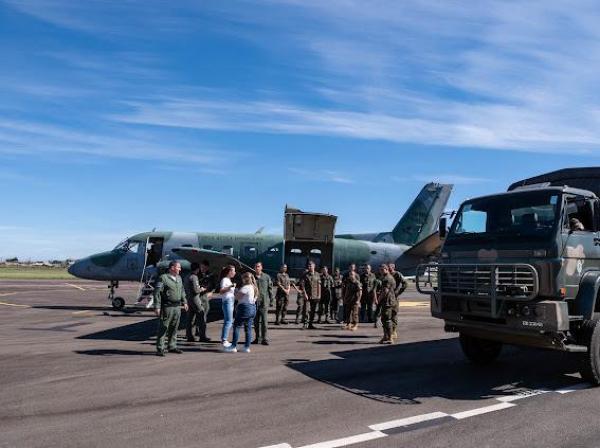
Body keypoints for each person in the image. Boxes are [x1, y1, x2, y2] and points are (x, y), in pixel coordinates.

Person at [154, 261, 188, 356]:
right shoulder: (163, 278)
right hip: (167, 307)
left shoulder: (179, 278)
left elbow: (182, 291)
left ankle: (172, 346)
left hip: (177, 307)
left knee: (174, 327)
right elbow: (157, 293)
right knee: (164, 327)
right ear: (172, 268)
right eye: (178, 267)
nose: (180, 269)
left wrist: (184, 301)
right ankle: (160, 348)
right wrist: (157, 306)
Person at [224, 272, 257, 353]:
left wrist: (235, 291)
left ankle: (233, 346)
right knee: (248, 328)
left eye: (242, 278)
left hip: (244, 308)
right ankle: (246, 347)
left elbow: (237, 297)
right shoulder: (254, 287)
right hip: (252, 308)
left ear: (245, 279)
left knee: (237, 326)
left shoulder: (246, 287)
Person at [185, 261, 215, 343]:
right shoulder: (194, 277)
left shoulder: (187, 276)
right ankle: (202, 336)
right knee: (201, 316)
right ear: (197, 269)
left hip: (189, 299)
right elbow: (196, 290)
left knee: (190, 318)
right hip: (195, 299)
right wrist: (202, 289)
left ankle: (189, 336)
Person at [253, 262, 273, 345]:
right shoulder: (252, 277)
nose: (257, 268)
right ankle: (257, 338)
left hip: (264, 302)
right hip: (254, 302)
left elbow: (270, 289)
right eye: (256, 267)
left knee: (264, 322)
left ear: (261, 267)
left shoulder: (266, 277)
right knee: (256, 322)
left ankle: (265, 338)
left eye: (258, 266)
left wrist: (271, 300)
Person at [299, 261, 321, 329]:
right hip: (307, 295)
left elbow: (319, 285)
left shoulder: (317, 274)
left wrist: (319, 295)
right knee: (306, 310)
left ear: (314, 266)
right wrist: (304, 294)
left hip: (315, 295)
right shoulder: (305, 275)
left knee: (313, 310)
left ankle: (310, 323)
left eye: (310, 266)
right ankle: (305, 324)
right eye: (308, 266)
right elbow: (302, 285)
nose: (309, 267)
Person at [388, 262, 407, 341]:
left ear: (393, 267)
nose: (389, 268)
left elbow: (405, 284)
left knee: (394, 314)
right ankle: (388, 332)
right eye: (388, 267)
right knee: (387, 315)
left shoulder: (397, 274)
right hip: (387, 298)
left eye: (390, 267)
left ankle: (394, 331)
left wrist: (398, 293)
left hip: (394, 297)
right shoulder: (386, 275)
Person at [219, 264, 236, 348]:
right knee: (228, 321)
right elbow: (221, 291)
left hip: (230, 301)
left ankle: (224, 338)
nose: (235, 273)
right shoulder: (225, 280)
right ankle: (224, 339)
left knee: (229, 320)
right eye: (233, 271)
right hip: (227, 301)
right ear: (229, 272)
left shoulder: (228, 280)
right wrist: (230, 287)